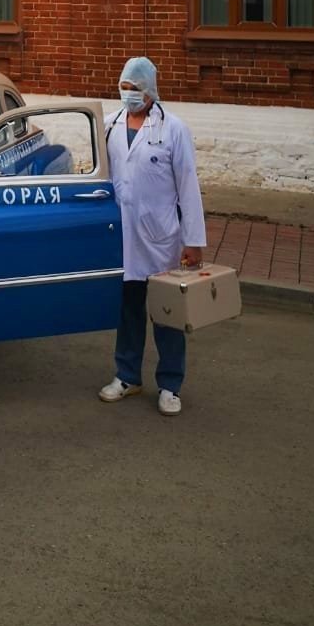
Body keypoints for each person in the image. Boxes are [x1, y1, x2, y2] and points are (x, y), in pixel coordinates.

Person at [98, 57, 206, 416]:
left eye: (135, 88)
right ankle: (127, 376)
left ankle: (170, 385)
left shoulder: (173, 129)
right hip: (123, 237)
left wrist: (193, 241)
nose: (129, 94)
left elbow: (188, 186)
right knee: (128, 309)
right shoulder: (109, 126)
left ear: (150, 90)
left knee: (166, 313)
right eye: (124, 87)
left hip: (161, 238)